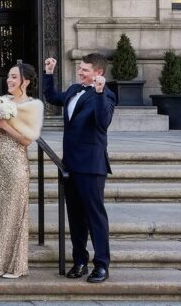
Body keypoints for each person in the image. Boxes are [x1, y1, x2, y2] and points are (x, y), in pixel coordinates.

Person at [43, 54, 116, 283]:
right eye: (80, 68)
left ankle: (101, 265)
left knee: (95, 217)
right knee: (75, 217)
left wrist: (101, 93)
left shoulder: (106, 95)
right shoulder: (74, 89)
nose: (80, 72)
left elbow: (103, 122)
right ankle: (80, 261)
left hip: (91, 166)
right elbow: (54, 97)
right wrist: (48, 73)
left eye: (85, 69)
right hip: (70, 165)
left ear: (99, 73)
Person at [0, 62, 45, 278]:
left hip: (16, 164)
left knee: (13, 212)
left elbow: (27, 140)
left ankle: (13, 266)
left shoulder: (33, 106)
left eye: (13, 77)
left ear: (25, 81)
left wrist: (5, 126)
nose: (9, 80)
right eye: (8, 77)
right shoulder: (2, 101)